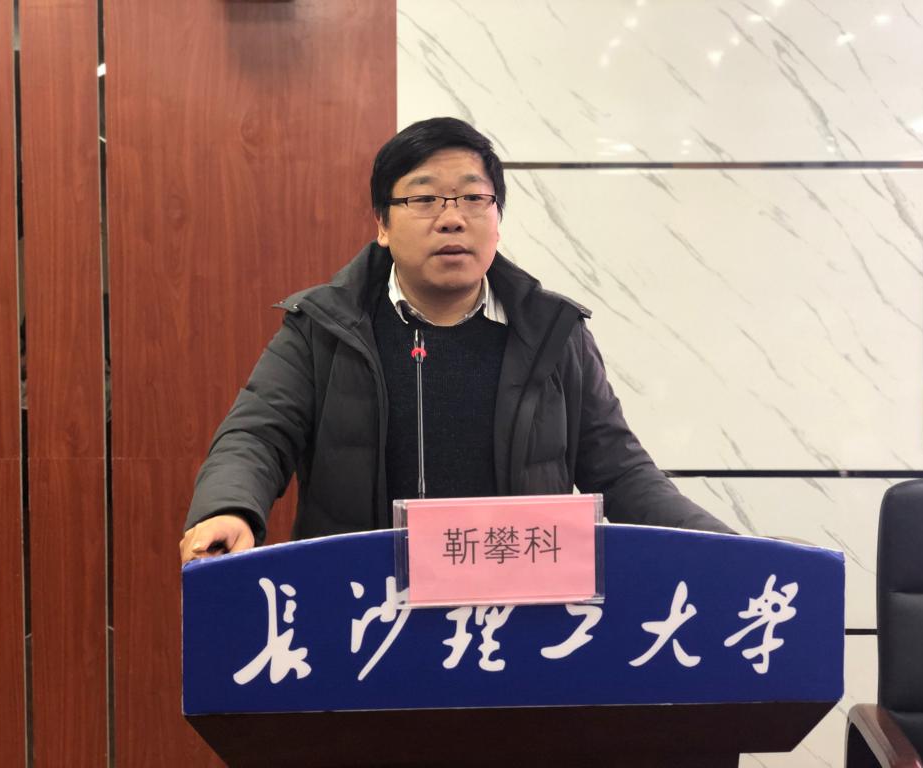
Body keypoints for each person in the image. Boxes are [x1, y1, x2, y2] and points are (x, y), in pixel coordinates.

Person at [179, 117, 732, 564]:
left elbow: (621, 472)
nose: (452, 219)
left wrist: (728, 549)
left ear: (497, 219)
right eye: (424, 200)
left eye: (472, 198)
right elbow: (257, 435)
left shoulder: (552, 333)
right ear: (382, 225)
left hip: (515, 615)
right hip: (361, 615)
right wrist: (229, 509)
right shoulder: (324, 328)